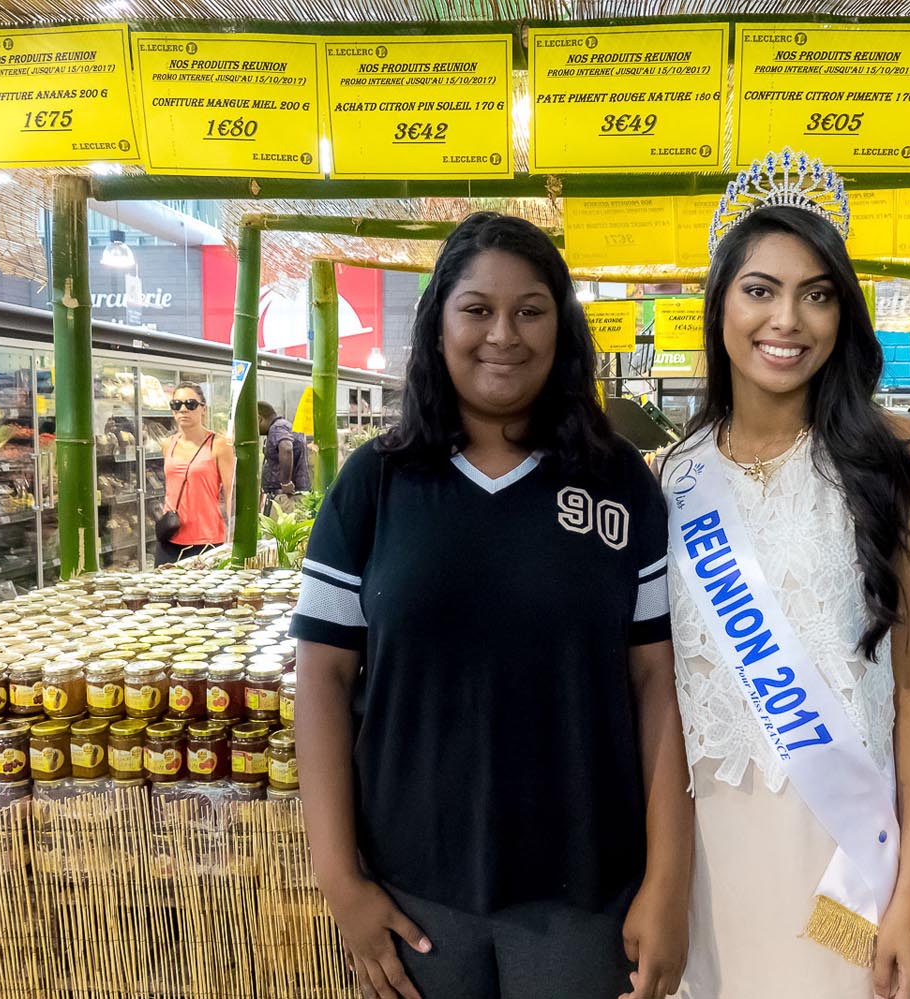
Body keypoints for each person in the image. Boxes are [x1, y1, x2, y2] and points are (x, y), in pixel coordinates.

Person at [290, 212, 692, 999]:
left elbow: (659, 686)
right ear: (438, 324)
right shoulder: (375, 484)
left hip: (587, 894)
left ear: (563, 329)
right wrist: (342, 880)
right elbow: (321, 681)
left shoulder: (622, 486)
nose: (502, 333)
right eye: (477, 309)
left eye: (530, 310)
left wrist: (668, 880)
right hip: (411, 893)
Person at [662, 153, 910, 999]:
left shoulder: (900, 459)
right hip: (707, 851)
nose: (787, 319)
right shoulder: (672, 477)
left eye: (817, 293)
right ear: (719, 305)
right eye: (759, 289)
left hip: (845, 854)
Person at [157, 381, 235, 565]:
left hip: (206, 540)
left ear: (203, 409)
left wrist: (234, 535)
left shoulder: (219, 445)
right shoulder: (168, 444)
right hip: (170, 536)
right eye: (176, 405)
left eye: (190, 404)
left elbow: (231, 492)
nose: (183, 410)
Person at [259, 401, 311, 505]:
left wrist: (285, 483)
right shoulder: (283, 425)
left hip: (286, 497)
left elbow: (286, 448)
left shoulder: (277, 427)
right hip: (287, 495)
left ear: (259, 418)